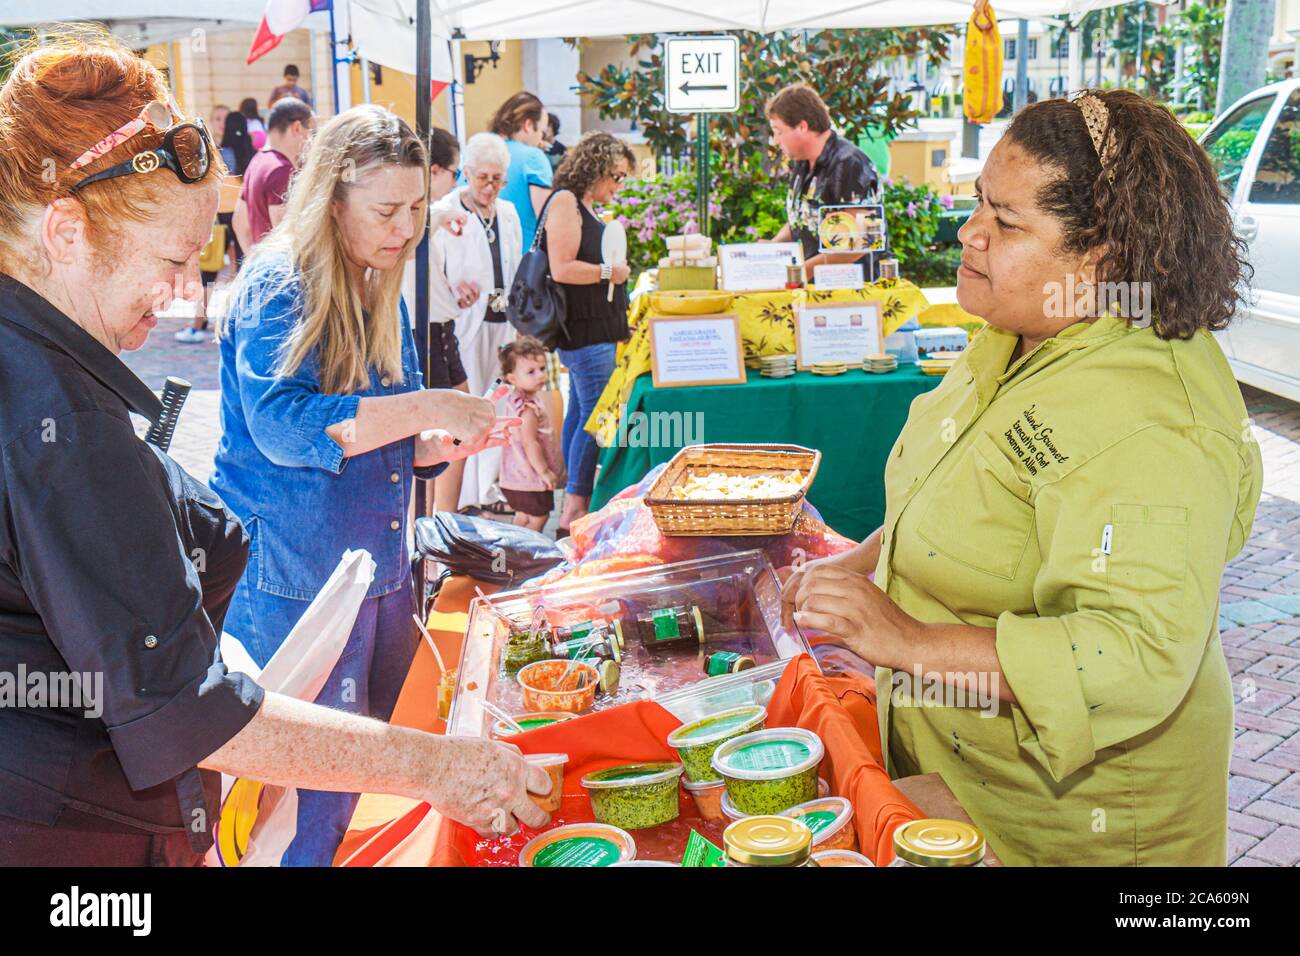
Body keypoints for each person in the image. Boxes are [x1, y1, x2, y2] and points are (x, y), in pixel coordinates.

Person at [0, 30, 548, 867]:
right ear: (66, 231)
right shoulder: (53, 412)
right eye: (175, 260)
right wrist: (437, 766)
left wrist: (423, 446)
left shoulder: (49, 374)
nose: (186, 291)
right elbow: (185, 706)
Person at [783, 90, 1263, 866]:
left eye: (1007, 224)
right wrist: (857, 562)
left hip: (1074, 828)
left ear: (1102, 253)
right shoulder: (1026, 332)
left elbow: (1133, 659)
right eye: (979, 203)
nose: (970, 233)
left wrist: (904, 639)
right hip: (963, 773)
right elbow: (958, 490)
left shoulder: (1151, 418)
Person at [211, 104, 528, 866]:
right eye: (388, 209)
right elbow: (284, 427)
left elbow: (384, 440)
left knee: (349, 784)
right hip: (297, 577)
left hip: (378, 573)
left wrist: (440, 444)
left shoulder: (376, 279)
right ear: (333, 198)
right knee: (288, 798)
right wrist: (428, 406)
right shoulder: (278, 281)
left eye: (418, 207)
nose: (407, 227)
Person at [542, 132, 634, 534]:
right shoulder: (565, 201)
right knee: (597, 417)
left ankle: (572, 502)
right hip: (583, 332)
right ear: (595, 168)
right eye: (615, 175)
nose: (618, 185)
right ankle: (576, 506)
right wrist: (608, 273)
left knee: (582, 412)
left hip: (595, 330)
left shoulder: (583, 206)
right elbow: (561, 268)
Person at [432, 132, 523, 513]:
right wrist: (455, 290)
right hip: (465, 321)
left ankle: (489, 489)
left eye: (498, 179)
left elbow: (515, 261)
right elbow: (439, 267)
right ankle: (462, 495)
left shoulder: (508, 212)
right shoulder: (448, 208)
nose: (490, 187)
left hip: (504, 319)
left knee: (498, 403)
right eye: (483, 177)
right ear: (466, 172)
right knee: (468, 403)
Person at [401, 127, 476, 514]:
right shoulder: (420, 210)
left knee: (461, 424)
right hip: (421, 331)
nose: (457, 182)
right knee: (444, 432)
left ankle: (443, 524)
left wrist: (455, 290)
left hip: (439, 327)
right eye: (455, 172)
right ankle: (433, 529)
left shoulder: (432, 213)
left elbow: (427, 271)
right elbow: (409, 240)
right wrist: (445, 213)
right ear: (434, 170)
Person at [766, 82, 880, 276]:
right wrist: (771, 248)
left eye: (779, 132)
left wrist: (803, 271)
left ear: (802, 127)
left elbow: (861, 241)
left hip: (853, 292)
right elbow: (803, 219)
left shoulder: (850, 164)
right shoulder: (804, 162)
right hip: (816, 288)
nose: (776, 140)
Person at [175, 111, 254, 343]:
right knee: (241, 272)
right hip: (242, 215)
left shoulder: (220, 153)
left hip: (220, 217)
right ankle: (242, 323)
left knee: (208, 273)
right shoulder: (250, 154)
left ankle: (198, 324)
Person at [232, 96, 315, 253]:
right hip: (283, 273)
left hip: (265, 268)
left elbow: (239, 223)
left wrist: (255, 265)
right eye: (311, 132)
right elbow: (289, 237)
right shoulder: (281, 170)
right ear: (297, 128)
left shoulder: (257, 161)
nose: (312, 141)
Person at [498, 336, 565, 531]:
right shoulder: (528, 409)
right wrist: (544, 472)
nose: (540, 375)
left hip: (514, 478)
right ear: (512, 378)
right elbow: (530, 443)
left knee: (523, 516)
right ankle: (527, 552)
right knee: (539, 517)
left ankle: (513, 548)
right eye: (531, 372)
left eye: (542, 369)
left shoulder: (515, 400)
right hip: (531, 479)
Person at [489, 91, 552, 251]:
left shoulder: (473, 152)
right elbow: (547, 221)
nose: (541, 141)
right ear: (528, 125)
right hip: (520, 263)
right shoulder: (533, 158)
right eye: (542, 133)